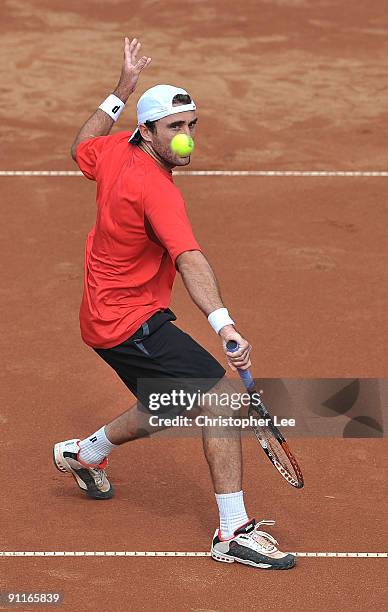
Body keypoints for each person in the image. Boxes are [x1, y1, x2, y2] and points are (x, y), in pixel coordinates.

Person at [53, 37, 295, 570]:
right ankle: (232, 533)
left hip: (103, 314)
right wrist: (224, 324)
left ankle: (84, 452)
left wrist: (120, 91)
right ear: (149, 132)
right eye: (175, 128)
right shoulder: (157, 190)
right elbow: (189, 259)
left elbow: (80, 147)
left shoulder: (116, 150)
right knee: (221, 403)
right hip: (129, 320)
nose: (186, 138)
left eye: (191, 126)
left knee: (176, 401)